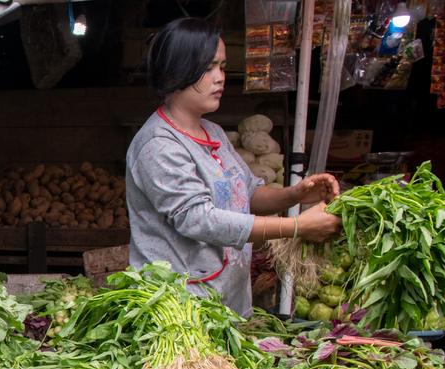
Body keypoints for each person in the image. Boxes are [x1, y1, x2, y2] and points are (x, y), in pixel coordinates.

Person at [126, 17, 343, 316]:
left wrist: (295, 194)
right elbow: (199, 220)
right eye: (208, 67)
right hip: (179, 312)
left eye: (223, 67)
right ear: (177, 70)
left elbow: (247, 194)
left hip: (227, 304)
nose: (220, 78)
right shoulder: (158, 144)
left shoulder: (212, 133)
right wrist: (295, 227)